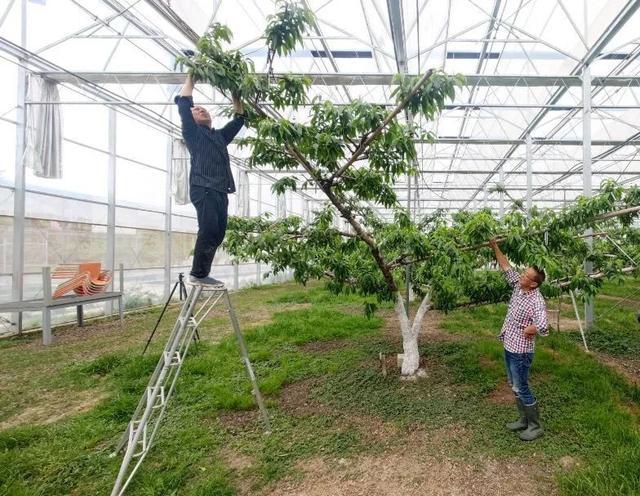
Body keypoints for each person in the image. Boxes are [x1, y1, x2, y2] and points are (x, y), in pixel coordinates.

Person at [174, 73, 245, 287]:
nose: (200, 109)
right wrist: (191, 78)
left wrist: (236, 95)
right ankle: (198, 273)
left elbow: (240, 119)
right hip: (203, 187)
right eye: (196, 110)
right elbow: (185, 103)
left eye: (204, 109)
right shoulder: (193, 133)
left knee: (218, 231)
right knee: (207, 228)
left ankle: (202, 272)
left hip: (220, 190)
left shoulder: (219, 137)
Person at [489, 237, 548, 441]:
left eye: (526, 275)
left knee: (522, 386)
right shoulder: (518, 286)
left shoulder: (536, 300)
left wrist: (532, 328)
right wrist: (495, 246)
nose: (521, 274)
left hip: (521, 351)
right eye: (523, 272)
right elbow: (506, 267)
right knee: (513, 384)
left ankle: (535, 425)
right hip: (509, 344)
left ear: (533, 283)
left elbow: (543, 325)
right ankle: (523, 420)